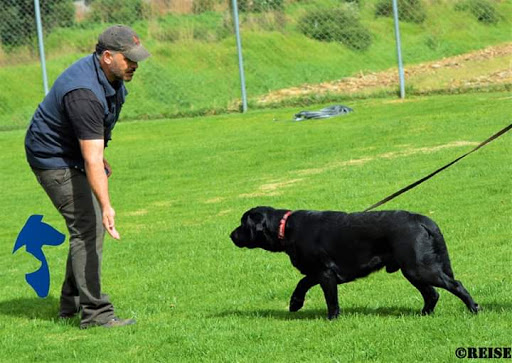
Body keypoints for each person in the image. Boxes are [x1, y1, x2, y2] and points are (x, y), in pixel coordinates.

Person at [24, 25, 150, 329]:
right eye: (128, 58)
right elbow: (91, 158)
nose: (135, 64)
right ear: (107, 56)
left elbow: (93, 140)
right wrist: (107, 206)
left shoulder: (110, 76)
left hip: (71, 151)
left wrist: (97, 154)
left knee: (86, 227)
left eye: (136, 58)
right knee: (90, 226)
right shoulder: (84, 92)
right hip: (52, 159)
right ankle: (96, 314)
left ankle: (71, 305)